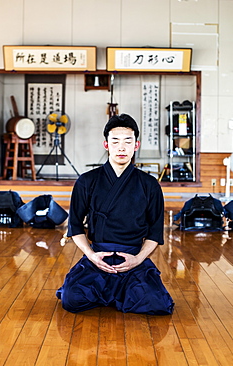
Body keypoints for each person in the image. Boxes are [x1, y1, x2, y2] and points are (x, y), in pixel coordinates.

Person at [56, 113, 174, 315]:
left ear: (136, 145)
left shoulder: (149, 185)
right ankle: (117, 293)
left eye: (128, 141)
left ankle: (118, 291)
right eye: (115, 141)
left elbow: (155, 233)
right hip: (98, 258)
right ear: (106, 144)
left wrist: (138, 259)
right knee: (71, 299)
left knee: (158, 304)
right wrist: (91, 256)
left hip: (133, 258)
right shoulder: (86, 181)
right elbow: (75, 226)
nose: (121, 147)